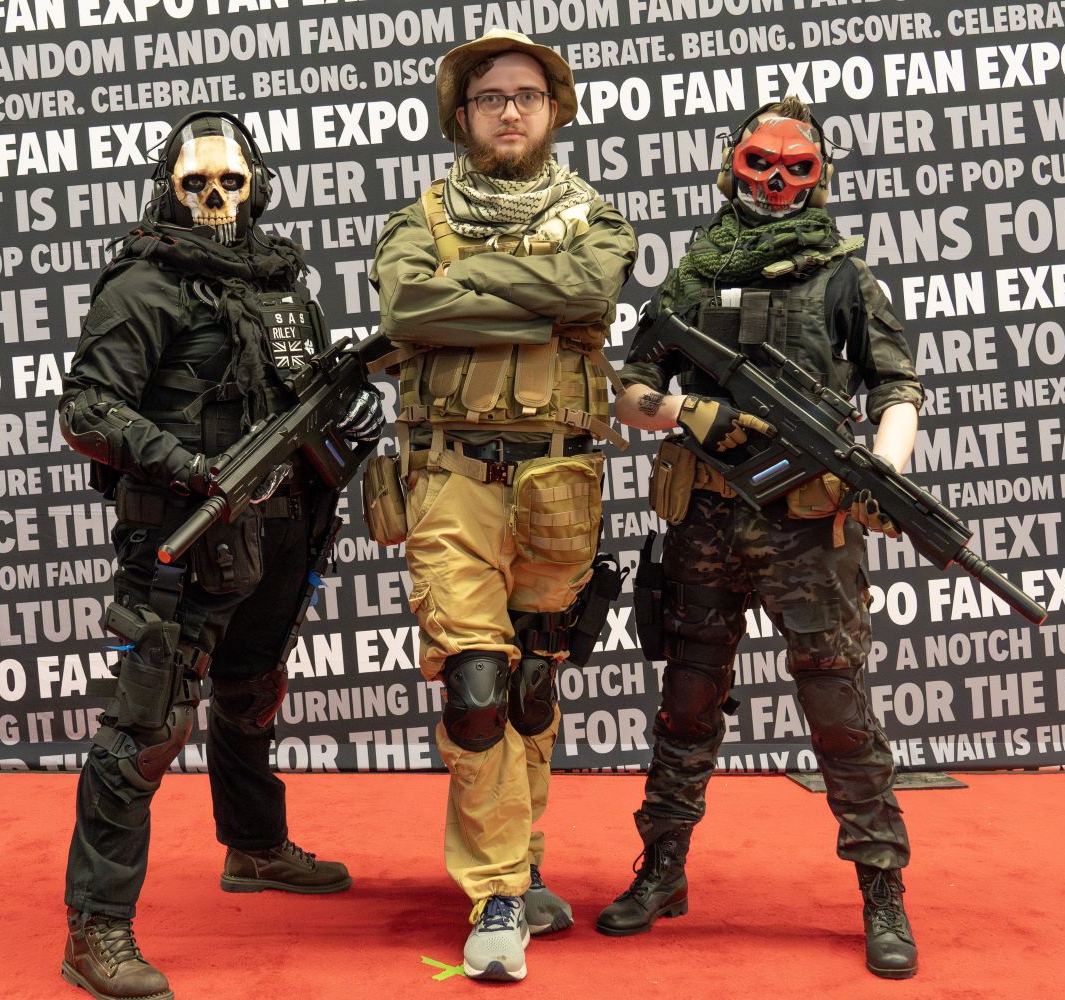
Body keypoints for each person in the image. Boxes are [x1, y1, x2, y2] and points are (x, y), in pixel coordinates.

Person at [596, 96, 925, 980]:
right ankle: (663, 867)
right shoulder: (696, 275)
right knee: (689, 699)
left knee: (837, 704)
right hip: (706, 515)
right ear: (731, 164)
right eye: (760, 165)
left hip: (807, 525)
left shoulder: (845, 276)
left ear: (818, 179)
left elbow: (898, 386)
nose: (776, 183)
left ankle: (881, 885)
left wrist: (884, 469)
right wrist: (690, 412)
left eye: (796, 169)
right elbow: (627, 389)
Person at [57, 110, 383, 1000]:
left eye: (230, 183)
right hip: (184, 528)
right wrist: (190, 469)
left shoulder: (284, 282)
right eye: (196, 183)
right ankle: (97, 930)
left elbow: (306, 392)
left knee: (252, 688)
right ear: (169, 185)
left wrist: (348, 421)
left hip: (283, 524)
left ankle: (254, 846)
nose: (213, 199)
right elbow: (88, 409)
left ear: (259, 186)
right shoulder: (144, 282)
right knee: (148, 727)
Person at [368, 29, 637, 982]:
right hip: (450, 482)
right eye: (491, 98)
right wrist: (542, 309)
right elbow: (408, 313)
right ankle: (494, 893)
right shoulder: (418, 221)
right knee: (477, 690)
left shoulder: (600, 220)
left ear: (555, 109)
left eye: (528, 94)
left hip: (560, 481)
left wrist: (471, 285)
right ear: (463, 115)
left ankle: (521, 869)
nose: (511, 110)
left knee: (532, 689)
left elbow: (592, 286)